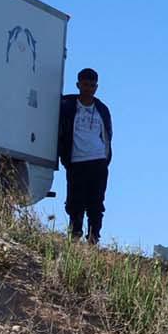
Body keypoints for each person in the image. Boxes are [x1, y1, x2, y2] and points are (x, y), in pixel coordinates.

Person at [57, 68, 112, 244]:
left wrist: (106, 157)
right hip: (76, 161)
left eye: (92, 85)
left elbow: (108, 135)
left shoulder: (102, 109)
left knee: (96, 203)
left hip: (98, 161)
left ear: (96, 87)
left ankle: (93, 238)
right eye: (85, 84)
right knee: (74, 202)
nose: (88, 88)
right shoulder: (67, 105)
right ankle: (74, 235)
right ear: (78, 85)